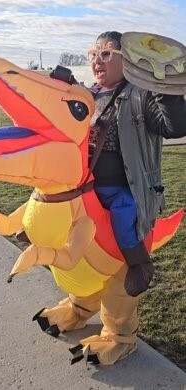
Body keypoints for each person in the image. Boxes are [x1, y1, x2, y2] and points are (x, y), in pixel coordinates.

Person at [87, 31, 186, 297]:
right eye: (93, 54)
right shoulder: (85, 96)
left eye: (106, 53)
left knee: (124, 218)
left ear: (128, 61)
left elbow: (174, 126)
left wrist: (165, 88)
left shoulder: (141, 96)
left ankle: (140, 264)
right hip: (87, 189)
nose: (97, 60)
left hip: (126, 190)